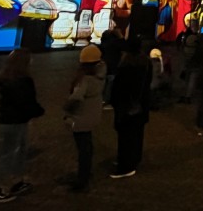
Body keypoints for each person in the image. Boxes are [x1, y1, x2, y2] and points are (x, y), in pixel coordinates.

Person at [0, 48, 45, 203]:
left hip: (10, 120)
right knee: (8, 155)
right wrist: (38, 111)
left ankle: (17, 181)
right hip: (16, 121)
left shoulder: (7, 79)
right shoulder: (22, 81)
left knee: (19, 151)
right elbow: (26, 101)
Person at [62, 44, 106, 192]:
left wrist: (67, 108)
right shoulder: (100, 75)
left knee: (83, 148)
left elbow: (76, 98)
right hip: (93, 115)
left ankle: (82, 177)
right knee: (87, 146)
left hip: (81, 117)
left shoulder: (85, 80)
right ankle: (85, 172)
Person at [109, 35, 153, 178]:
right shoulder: (146, 63)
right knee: (137, 134)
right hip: (140, 105)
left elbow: (119, 88)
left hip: (127, 106)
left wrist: (114, 101)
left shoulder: (127, 66)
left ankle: (126, 165)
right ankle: (134, 159)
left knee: (126, 136)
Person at [100, 27, 125, 110]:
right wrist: (120, 36)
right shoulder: (114, 43)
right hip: (113, 66)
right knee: (110, 84)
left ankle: (102, 100)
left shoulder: (104, 43)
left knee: (105, 83)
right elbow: (124, 45)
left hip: (105, 65)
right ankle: (107, 101)